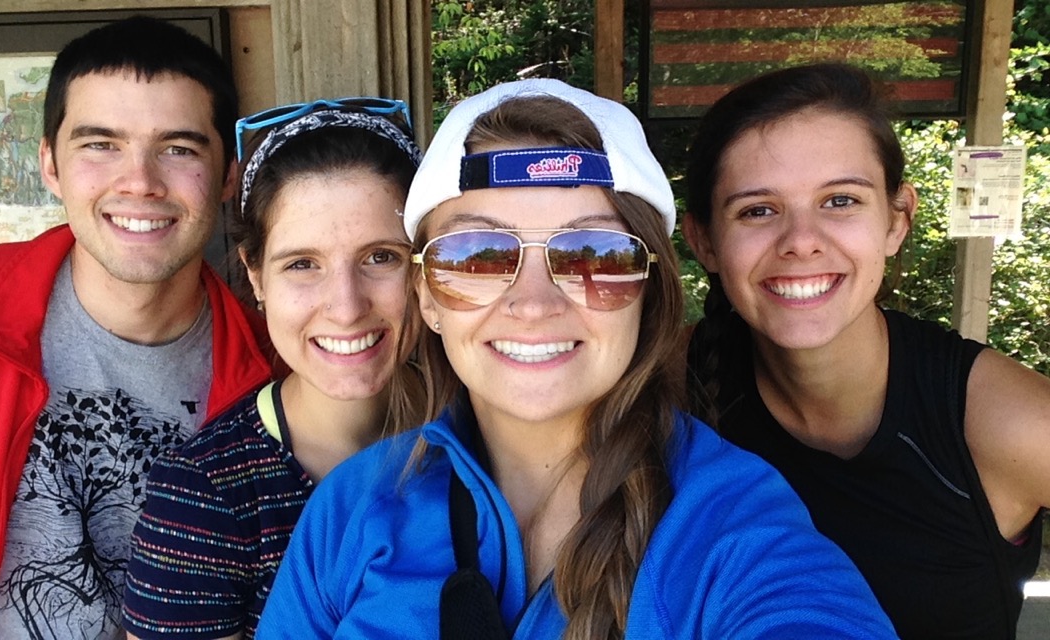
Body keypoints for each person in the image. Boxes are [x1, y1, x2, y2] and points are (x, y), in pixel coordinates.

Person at [255, 78, 897, 639]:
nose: (533, 304)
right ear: (427, 297)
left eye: (595, 254)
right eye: (476, 255)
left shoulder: (733, 528)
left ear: (649, 292)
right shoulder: (354, 507)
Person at [0, 17, 274, 639]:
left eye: (179, 149)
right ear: (49, 164)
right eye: (100, 144)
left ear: (227, 177)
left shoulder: (281, 371)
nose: (140, 182)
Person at [682, 63, 1050, 639]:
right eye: (758, 210)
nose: (801, 241)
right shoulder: (664, 382)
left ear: (896, 221)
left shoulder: (1006, 421)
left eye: (840, 201)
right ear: (703, 239)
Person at [121, 98, 425, 640]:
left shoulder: (487, 431)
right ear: (257, 276)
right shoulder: (204, 497)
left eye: (381, 256)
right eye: (302, 264)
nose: (346, 307)